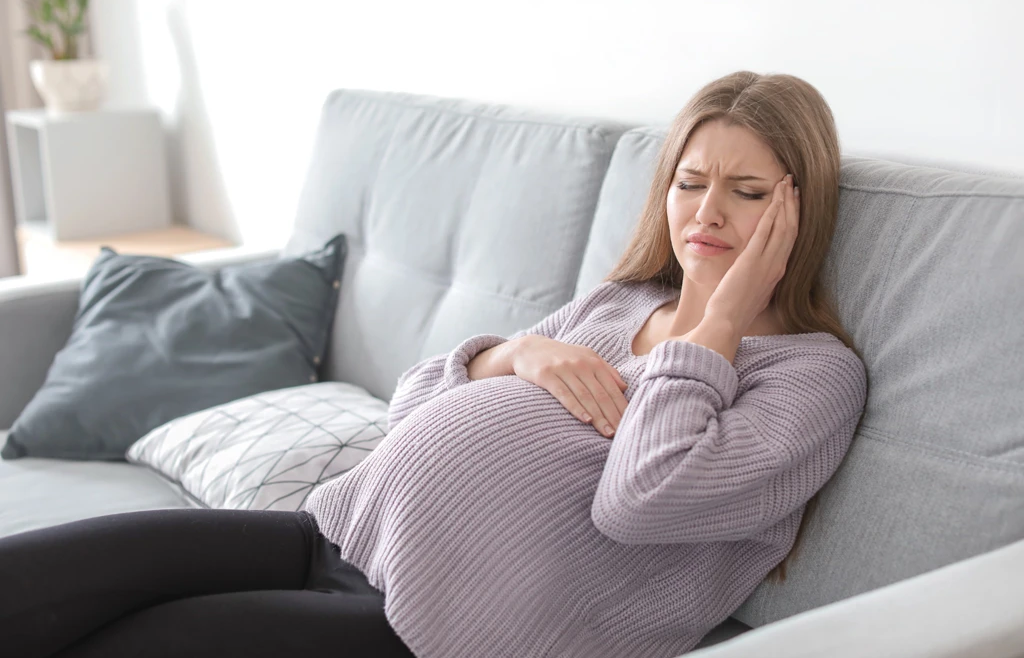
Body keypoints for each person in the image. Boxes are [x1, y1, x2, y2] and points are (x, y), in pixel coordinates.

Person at [0, 70, 868, 658]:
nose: (706, 212)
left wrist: (714, 324)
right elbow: (410, 410)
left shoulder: (811, 378)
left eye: (748, 193)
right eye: (690, 182)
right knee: (36, 578)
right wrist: (510, 353)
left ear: (801, 212)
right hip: (333, 533)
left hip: (427, 629)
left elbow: (642, 498)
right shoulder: (621, 302)